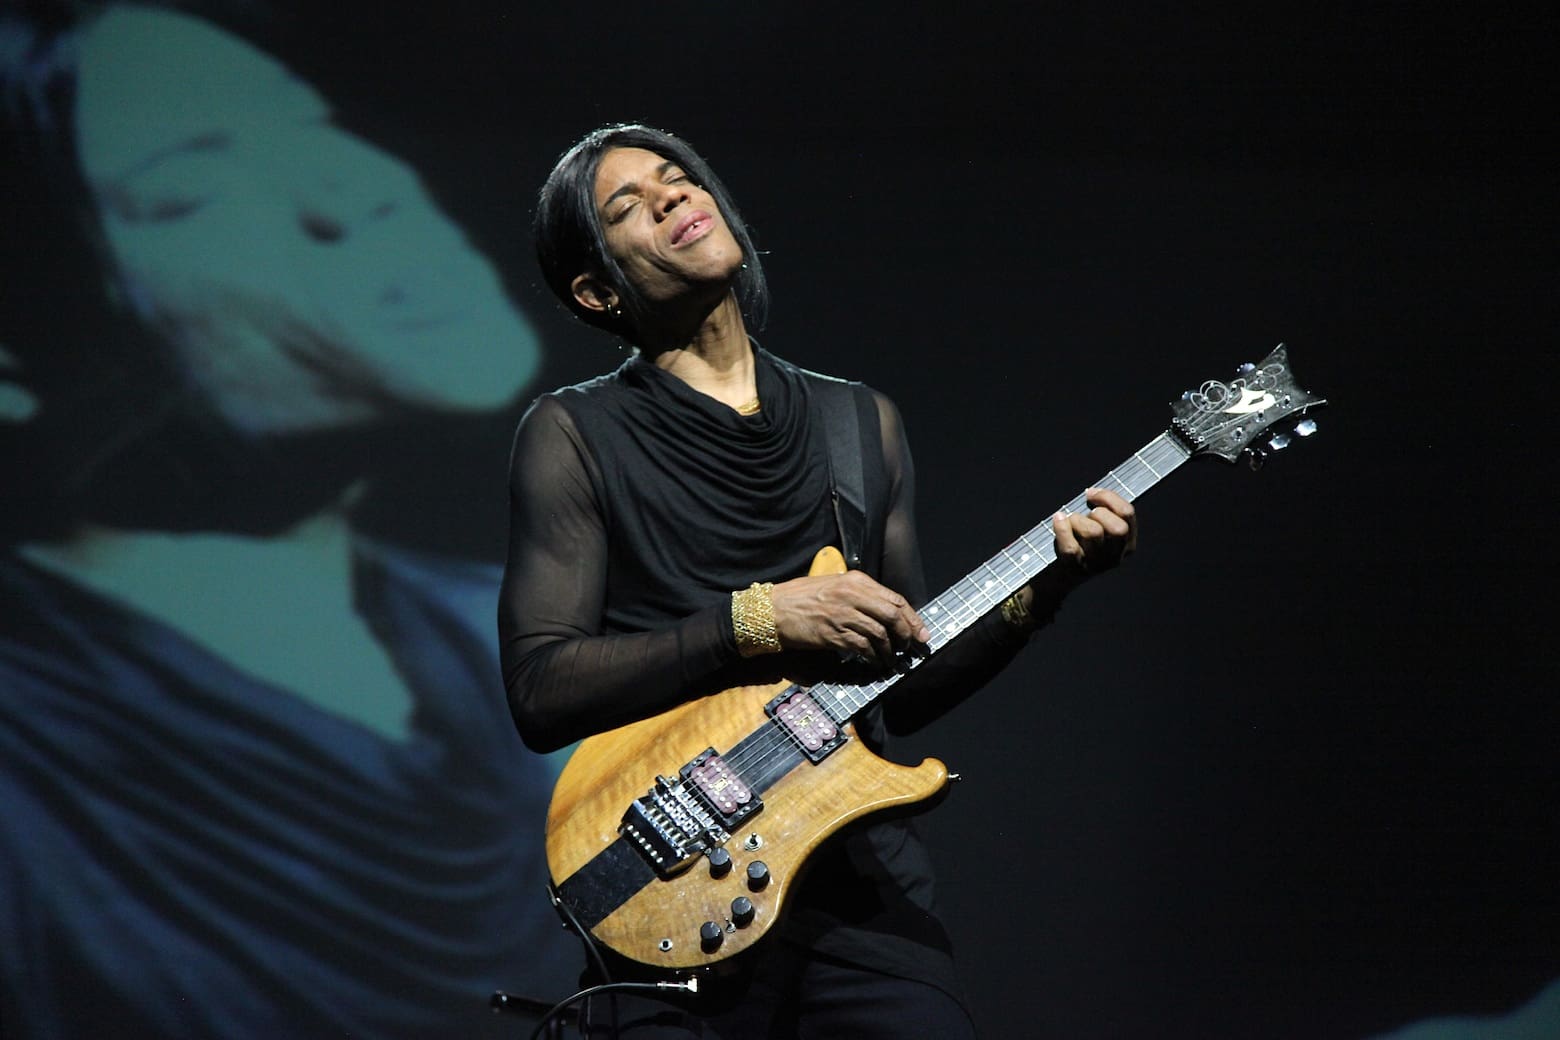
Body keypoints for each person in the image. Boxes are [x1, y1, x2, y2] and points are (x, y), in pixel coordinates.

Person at [0, 4, 573, 1036]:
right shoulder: (29, 766)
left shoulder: (512, 634)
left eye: (311, 125)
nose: (355, 190)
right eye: (192, 188)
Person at [500, 123, 1139, 1037]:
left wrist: (1047, 592)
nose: (673, 198)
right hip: (677, 886)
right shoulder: (572, 434)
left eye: (677, 180)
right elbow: (539, 688)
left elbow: (906, 680)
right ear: (598, 289)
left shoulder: (858, 421)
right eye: (628, 208)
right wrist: (757, 621)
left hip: (866, 900)